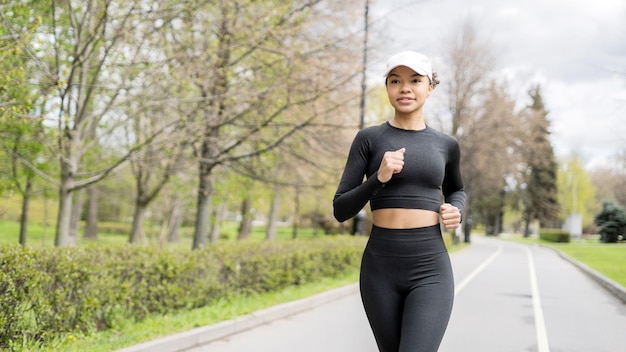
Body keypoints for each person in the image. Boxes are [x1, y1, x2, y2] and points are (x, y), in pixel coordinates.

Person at [332, 51, 466, 352]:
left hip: (430, 267)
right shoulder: (369, 139)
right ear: (388, 87)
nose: (405, 88)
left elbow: (457, 189)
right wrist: (378, 178)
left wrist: (456, 210)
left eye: (415, 80)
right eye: (396, 81)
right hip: (380, 268)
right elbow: (341, 209)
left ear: (429, 87)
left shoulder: (446, 145)